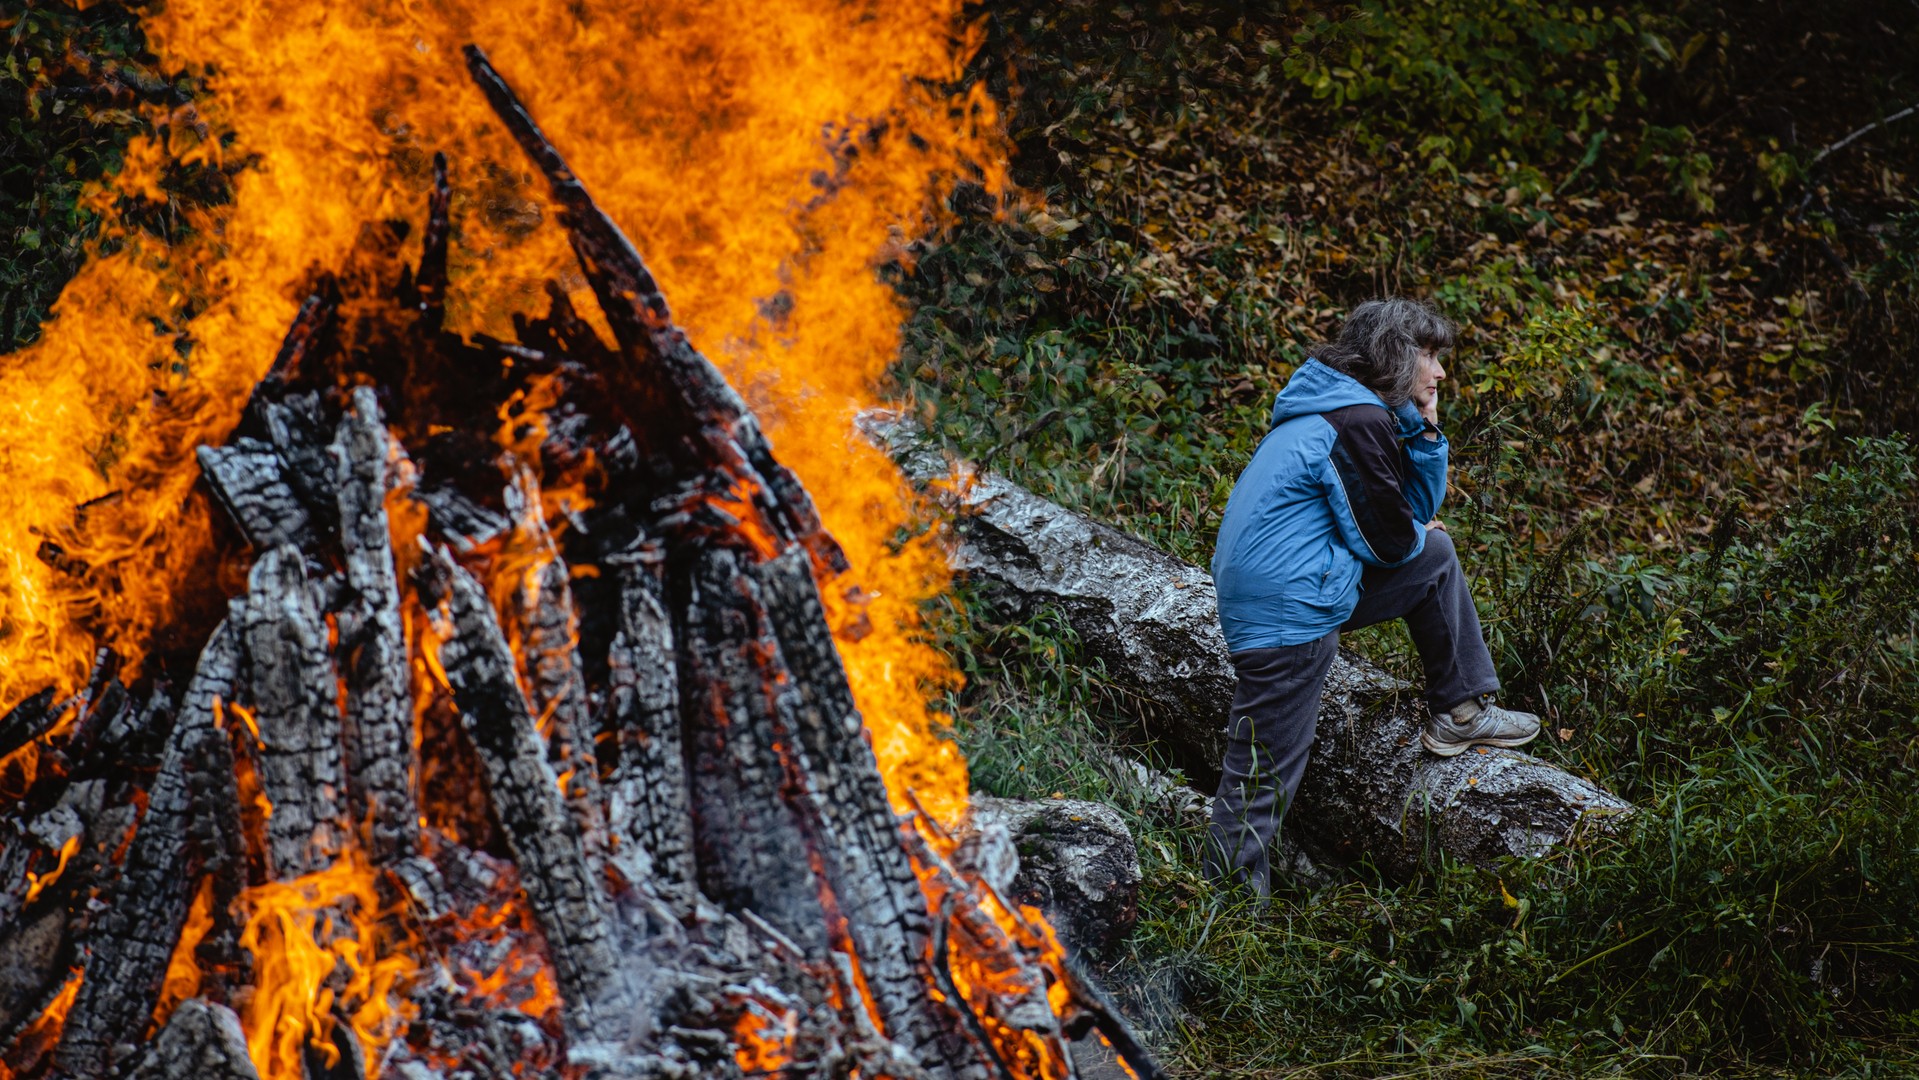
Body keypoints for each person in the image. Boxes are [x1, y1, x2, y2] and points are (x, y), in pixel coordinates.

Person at [1204, 297, 1539, 899]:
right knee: (1262, 775)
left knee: (1434, 556)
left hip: (1290, 588)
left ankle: (1460, 712)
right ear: (1397, 353)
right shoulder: (1353, 420)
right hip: (1287, 608)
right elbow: (1387, 540)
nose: (1440, 373)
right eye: (1431, 357)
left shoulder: (1340, 409)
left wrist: (1425, 428)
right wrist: (1412, 532)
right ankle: (1227, 913)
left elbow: (1411, 517)